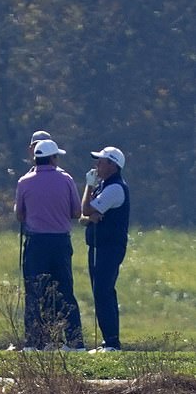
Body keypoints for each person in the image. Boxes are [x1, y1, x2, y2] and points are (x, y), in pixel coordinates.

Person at [14, 139, 84, 351]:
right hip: (60, 242)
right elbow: (76, 212)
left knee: (35, 292)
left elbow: (19, 215)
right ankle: (74, 342)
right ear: (53, 158)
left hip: (36, 243)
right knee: (64, 291)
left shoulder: (24, 182)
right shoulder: (66, 180)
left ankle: (34, 342)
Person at [81, 146, 129, 353]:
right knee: (99, 292)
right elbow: (84, 217)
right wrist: (89, 217)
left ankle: (112, 343)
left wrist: (88, 187)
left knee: (104, 292)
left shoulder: (115, 188)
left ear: (112, 165)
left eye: (101, 161)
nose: (97, 165)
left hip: (109, 247)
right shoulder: (104, 185)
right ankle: (107, 342)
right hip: (98, 247)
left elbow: (85, 209)